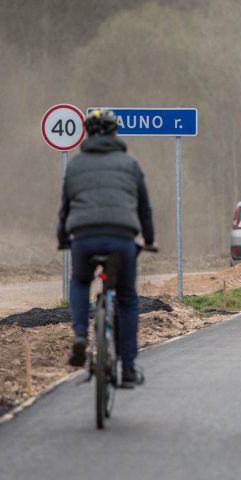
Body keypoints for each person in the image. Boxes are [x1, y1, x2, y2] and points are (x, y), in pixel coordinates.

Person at [57, 109, 156, 387]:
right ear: (114, 133)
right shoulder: (130, 164)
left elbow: (64, 208)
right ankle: (128, 368)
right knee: (127, 298)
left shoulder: (74, 166)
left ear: (87, 135)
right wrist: (148, 239)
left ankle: (79, 335)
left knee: (79, 281)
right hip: (121, 238)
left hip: (84, 237)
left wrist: (62, 238)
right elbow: (144, 207)